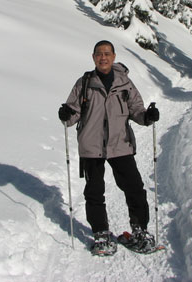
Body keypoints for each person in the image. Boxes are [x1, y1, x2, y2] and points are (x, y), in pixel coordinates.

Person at [58, 40, 160, 255]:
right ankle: (101, 234)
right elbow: (73, 111)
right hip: (91, 145)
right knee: (94, 192)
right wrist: (66, 114)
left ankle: (140, 230)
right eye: (98, 54)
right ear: (93, 57)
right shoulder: (84, 83)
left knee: (134, 188)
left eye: (107, 53)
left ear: (113, 57)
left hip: (120, 144)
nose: (103, 57)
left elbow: (137, 110)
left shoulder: (125, 82)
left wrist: (147, 117)